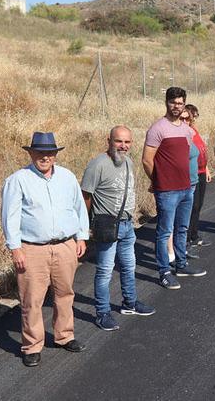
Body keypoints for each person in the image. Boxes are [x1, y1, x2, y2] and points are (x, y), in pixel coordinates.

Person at [0, 132, 89, 367]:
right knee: (32, 299)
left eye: (50, 152)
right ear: (31, 153)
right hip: (32, 249)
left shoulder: (67, 177)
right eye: (40, 152)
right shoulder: (18, 180)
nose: (45, 157)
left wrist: (81, 236)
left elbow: (79, 208)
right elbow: (10, 217)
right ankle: (32, 345)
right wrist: (15, 248)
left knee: (65, 294)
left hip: (65, 246)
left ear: (56, 154)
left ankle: (64, 336)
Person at [81, 126, 156, 331]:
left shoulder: (129, 162)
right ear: (109, 141)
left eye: (127, 142)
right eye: (118, 141)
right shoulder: (97, 165)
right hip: (106, 225)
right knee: (105, 271)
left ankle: (130, 303)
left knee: (129, 265)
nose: (123, 146)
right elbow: (85, 196)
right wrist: (86, 226)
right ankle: (102, 312)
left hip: (127, 224)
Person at [143, 87, 207, 290]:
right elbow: (146, 160)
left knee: (182, 228)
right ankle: (164, 271)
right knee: (164, 231)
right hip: (167, 190)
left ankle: (181, 264)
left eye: (180, 103)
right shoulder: (157, 128)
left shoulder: (186, 130)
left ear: (184, 103)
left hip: (186, 188)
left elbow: (186, 158)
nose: (176, 106)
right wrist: (158, 181)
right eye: (173, 102)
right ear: (166, 103)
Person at [183, 104, 212, 250]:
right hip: (191, 174)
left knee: (198, 205)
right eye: (187, 118)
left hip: (201, 171)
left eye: (191, 117)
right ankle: (186, 238)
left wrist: (206, 169)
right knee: (191, 206)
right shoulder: (182, 133)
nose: (189, 120)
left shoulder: (193, 130)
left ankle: (194, 235)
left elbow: (199, 151)